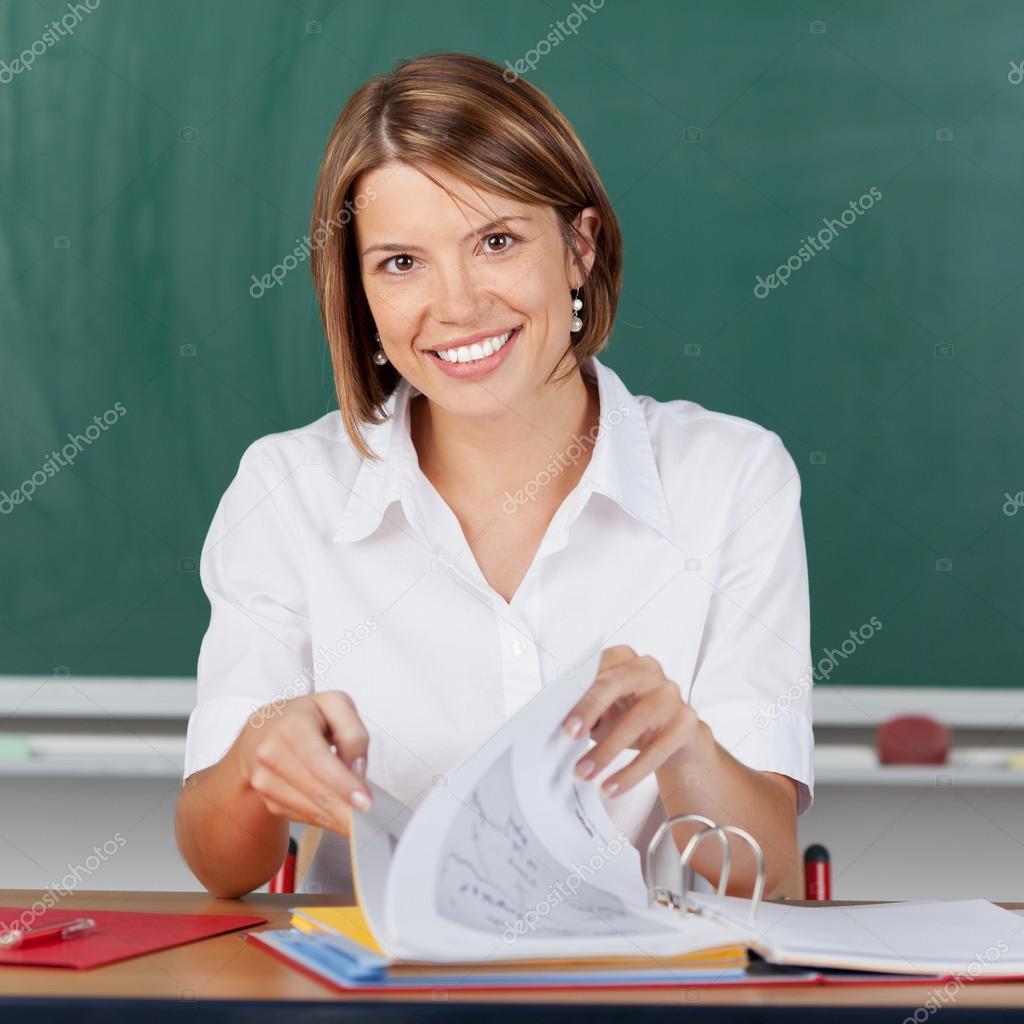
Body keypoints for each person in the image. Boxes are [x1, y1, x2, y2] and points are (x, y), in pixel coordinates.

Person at [175, 51, 814, 901]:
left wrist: (687, 751)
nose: (458, 305)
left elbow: (766, 871)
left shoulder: (731, 478)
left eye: (497, 242)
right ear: (359, 290)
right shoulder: (288, 489)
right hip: (378, 972)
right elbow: (221, 866)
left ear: (579, 247)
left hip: (647, 973)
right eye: (401, 263)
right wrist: (258, 755)